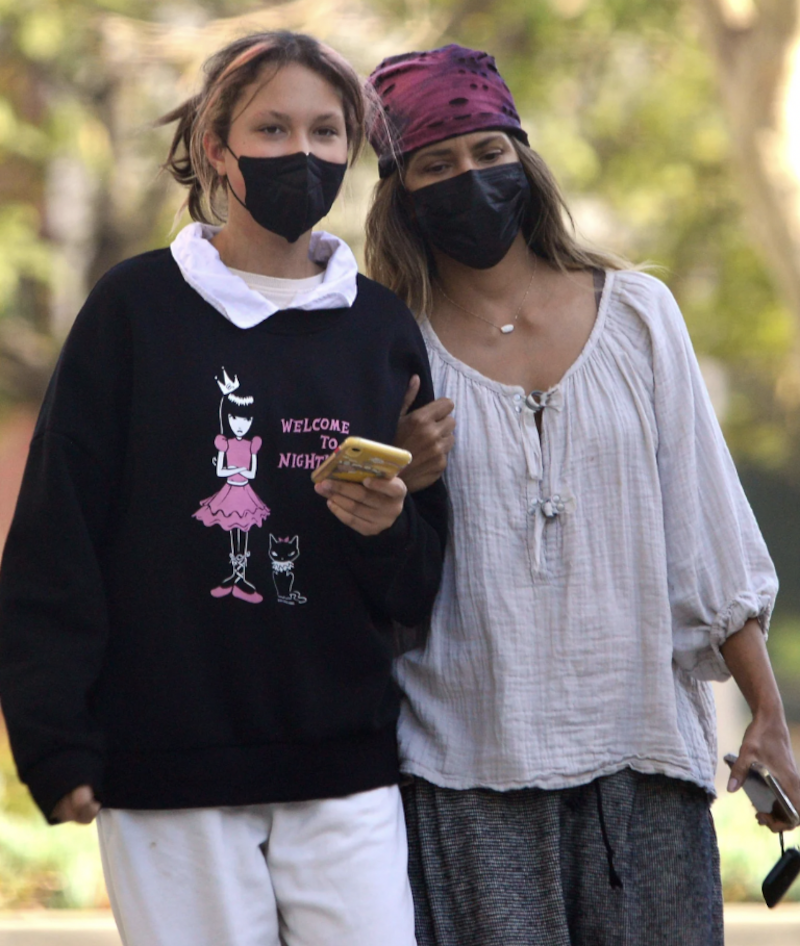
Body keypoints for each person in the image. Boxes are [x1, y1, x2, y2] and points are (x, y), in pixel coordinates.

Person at [0, 30, 448, 946]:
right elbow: (58, 533)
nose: (302, 152)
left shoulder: (382, 328)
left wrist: (389, 523)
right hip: (168, 768)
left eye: (326, 132)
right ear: (216, 147)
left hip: (345, 766)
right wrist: (54, 737)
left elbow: (416, 588)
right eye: (271, 128)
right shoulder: (132, 309)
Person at [365, 43, 800, 946]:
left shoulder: (639, 313)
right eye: (436, 164)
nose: (470, 176)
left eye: (489, 151)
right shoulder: (388, 344)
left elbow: (708, 531)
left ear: (525, 160)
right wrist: (404, 469)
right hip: (466, 763)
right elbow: (376, 560)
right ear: (399, 192)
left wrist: (768, 713)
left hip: (642, 756)